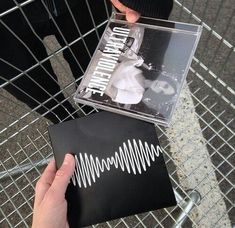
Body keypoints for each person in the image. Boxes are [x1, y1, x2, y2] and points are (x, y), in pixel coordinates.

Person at [0, 0, 173, 124]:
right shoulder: (138, 74)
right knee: (39, 93)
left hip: (81, 5)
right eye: (165, 86)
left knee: (95, 87)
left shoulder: (137, 85)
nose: (161, 87)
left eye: (163, 90)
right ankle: (69, 124)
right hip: (4, 25)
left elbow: (107, 92)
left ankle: (99, 126)